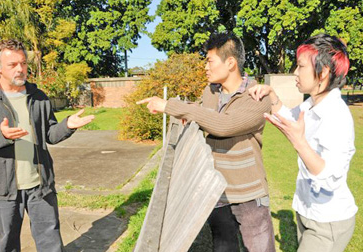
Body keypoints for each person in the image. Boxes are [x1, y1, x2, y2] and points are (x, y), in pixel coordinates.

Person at [137, 33, 275, 252]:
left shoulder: (256, 97)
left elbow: (223, 125)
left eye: (210, 61)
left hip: (248, 195)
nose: (205, 67)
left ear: (230, 62)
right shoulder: (209, 92)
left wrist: (171, 107)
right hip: (216, 190)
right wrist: (189, 112)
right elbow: (202, 111)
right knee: (223, 247)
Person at [0, 39, 94, 252]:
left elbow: (50, 135)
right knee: (7, 245)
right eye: (12, 64)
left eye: (23, 63)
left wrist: (68, 125)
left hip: (40, 186)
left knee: (51, 242)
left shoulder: (38, 97)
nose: (20, 69)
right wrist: (0, 135)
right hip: (2, 191)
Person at [249, 34, 357, 252]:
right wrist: (271, 95)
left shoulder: (336, 115)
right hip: (307, 212)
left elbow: (329, 178)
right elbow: (290, 118)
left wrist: (299, 143)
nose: (295, 73)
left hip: (328, 222)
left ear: (323, 72)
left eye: (300, 66)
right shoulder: (312, 104)